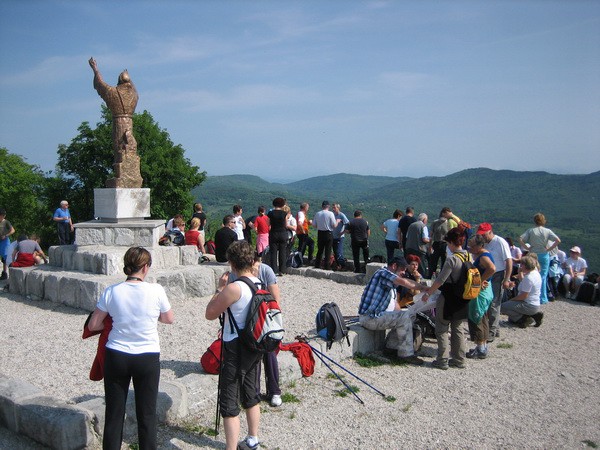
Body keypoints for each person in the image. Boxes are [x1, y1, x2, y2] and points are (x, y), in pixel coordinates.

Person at [87, 247, 174, 450]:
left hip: (116, 354)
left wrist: (113, 323)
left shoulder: (112, 291)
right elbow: (169, 318)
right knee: (147, 413)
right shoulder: (156, 290)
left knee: (114, 413)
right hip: (147, 355)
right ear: (145, 267)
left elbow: (93, 325)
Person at [205, 241, 264, 450]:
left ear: (231, 263)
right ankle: (253, 439)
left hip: (234, 346)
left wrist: (219, 288)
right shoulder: (259, 283)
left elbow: (210, 313)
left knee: (230, 400)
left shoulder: (234, 288)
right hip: (254, 345)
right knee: (251, 392)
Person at [229, 252, 282, 408]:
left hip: (264, 318)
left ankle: (274, 391)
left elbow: (275, 299)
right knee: (252, 355)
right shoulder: (235, 275)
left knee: (269, 352)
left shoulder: (266, 271)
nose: (256, 268)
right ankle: (253, 394)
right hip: (246, 320)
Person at [358, 256, 426, 366]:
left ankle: (391, 347)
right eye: (402, 269)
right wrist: (423, 288)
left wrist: (407, 313)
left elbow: (395, 306)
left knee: (409, 315)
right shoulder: (382, 273)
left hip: (376, 316)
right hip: (369, 318)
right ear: (394, 266)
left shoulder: (390, 283)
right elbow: (404, 282)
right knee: (404, 317)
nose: (404, 272)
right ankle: (406, 354)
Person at [89, 57, 142, 188]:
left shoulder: (113, 92)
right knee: (129, 147)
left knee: (121, 148)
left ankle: (122, 176)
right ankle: (128, 175)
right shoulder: (134, 95)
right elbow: (134, 89)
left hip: (118, 122)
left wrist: (95, 68)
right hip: (129, 122)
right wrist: (129, 79)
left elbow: (100, 84)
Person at [423, 227, 471, 370]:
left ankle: (442, 359)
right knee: (458, 328)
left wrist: (428, 293)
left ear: (451, 242)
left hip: (448, 297)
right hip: (463, 298)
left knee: (442, 328)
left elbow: (440, 280)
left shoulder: (452, 260)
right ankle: (459, 359)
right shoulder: (468, 256)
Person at [476, 222, 512, 341]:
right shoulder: (485, 244)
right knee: (488, 301)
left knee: (494, 303)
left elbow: (509, 261)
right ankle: (494, 329)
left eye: (484, 234)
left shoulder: (500, 242)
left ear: (490, 232)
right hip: (488, 273)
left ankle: (491, 331)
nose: (483, 237)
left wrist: (507, 279)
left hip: (498, 274)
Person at [519, 213, 561, 304]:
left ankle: (530, 295)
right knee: (543, 276)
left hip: (533, 254)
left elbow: (520, 238)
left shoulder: (531, 231)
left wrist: (527, 248)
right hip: (544, 254)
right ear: (543, 221)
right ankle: (543, 298)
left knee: (530, 274)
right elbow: (558, 240)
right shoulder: (547, 231)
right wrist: (549, 249)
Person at [465, 234, 496, 359]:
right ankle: (482, 346)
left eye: (472, 246)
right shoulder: (485, 254)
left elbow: (492, 268)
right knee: (483, 317)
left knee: (476, 317)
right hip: (486, 290)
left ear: (479, 246)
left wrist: (480, 280)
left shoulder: (483, 257)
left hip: (480, 292)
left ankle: (480, 348)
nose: (469, 248)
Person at [501, 254, 544, 327]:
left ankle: (523, 319)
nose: (520, 266)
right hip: (534, 303)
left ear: (525, 265)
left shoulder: (529, 278)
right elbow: (525, 284)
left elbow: (524, 296)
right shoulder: (535, 273)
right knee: (511, 319)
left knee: (503, 307)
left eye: (522, 264)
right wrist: (520, 273)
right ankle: (529, 316)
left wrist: (512, 300)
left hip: (528, 304)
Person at [312, 201, 337, 270]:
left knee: (320, 250)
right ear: (328, 206)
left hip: (320, 233)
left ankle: (317, 265)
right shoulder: (330, 213)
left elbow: (314, 225)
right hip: (328, 233)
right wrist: (337, 221)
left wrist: (319, 225)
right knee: (328, 250)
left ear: (322, 206)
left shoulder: (318, 213)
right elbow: (334, 225)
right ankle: (327, 266)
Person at [267, 198, 289, 276]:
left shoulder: (270, 213)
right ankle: (282, 270)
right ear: (282, 204)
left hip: (273, 233)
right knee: (283, 252)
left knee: (273, 252)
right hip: (283, 233)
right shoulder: (284, 213)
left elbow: (268, 224)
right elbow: (286, 225)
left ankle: (274, 270)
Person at [429, 209, 450, 277]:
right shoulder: (435, 222)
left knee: (444, 262)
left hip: (445, 244)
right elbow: (431, 235)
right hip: (436, 243)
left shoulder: (449, 223)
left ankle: (443, 277)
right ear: (443, 213)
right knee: (434, 261)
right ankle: (431, 275)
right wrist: (430, 246)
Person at [331, 204, 349, 270]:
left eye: (334, 208)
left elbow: (347, 223)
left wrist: (343, 232)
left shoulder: (341, 215)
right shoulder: (332, 215)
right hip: (333, 236)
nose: (333, 209)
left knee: (339, 251)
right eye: (332, 207)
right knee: (335, 252)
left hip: (340, 237)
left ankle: (343, 265)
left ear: (338, 208)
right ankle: (338, 265)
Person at [0, 208, 15, 279]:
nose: (3, 216)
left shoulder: (6, 222)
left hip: (4, 241)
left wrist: (6, 235)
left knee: (5, 257)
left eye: (3, 215)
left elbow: (12, 230)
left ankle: (5, 272)